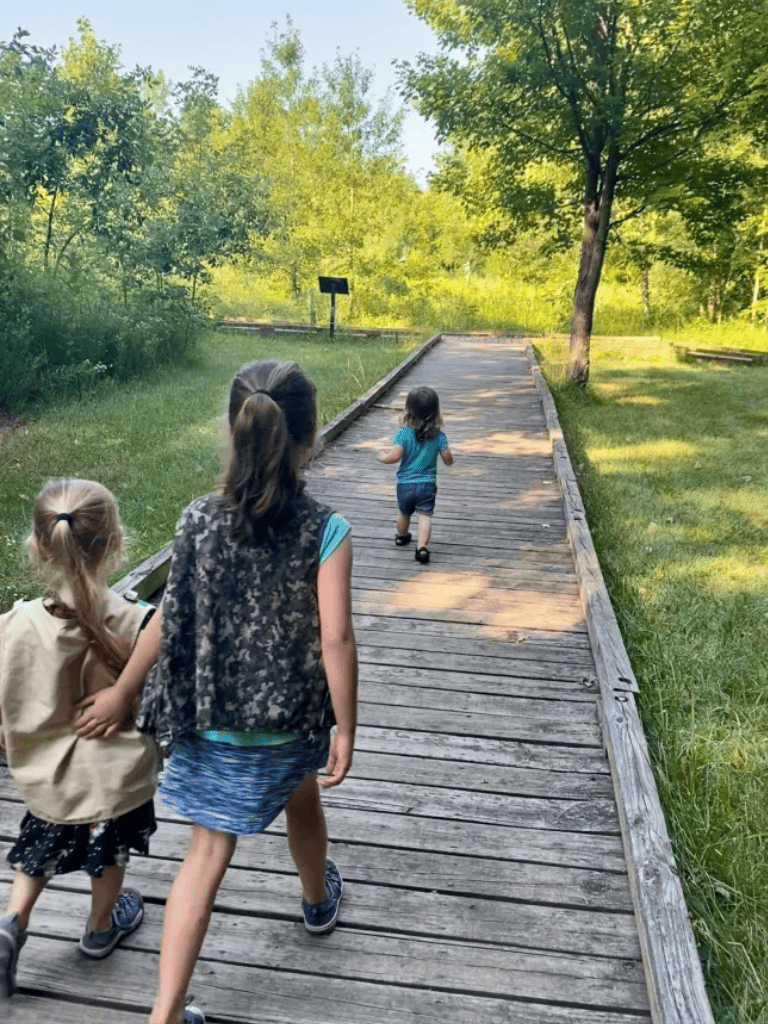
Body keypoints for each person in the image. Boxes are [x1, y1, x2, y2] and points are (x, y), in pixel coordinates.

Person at [74, 360, 358, 1024]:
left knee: (205, 855)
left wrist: (122, 691)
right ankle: (317, 900)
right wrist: (345, 726)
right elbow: (337, 639)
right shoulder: (327, 530)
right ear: (308, 436)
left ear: (233, 433)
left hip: (212, 719)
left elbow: (168, 616)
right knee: (301, 792)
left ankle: (166, 1011)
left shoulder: (199, 519)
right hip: (291, 722)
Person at [0, 478, 158, 1000]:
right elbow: (169, 635)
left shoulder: (17, 623)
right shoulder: (132, 620)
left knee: (37, 850)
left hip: (49, 777)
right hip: (111, 779)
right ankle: (99, 926)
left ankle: (11, 922)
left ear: (37, 546)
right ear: (115, 543)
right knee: (108, 852)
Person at [379, 385, 454, 564]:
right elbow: (447, 458)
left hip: (405, 485)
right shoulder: (439, 436)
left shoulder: (403, 434)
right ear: (436, 412)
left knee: (404, 513)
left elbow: (395, 456)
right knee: (424, 516)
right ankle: (422, 548)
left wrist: (383, 458)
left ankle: (402, 536)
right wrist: (450, 460)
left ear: (409, 410)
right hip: (427, 485)